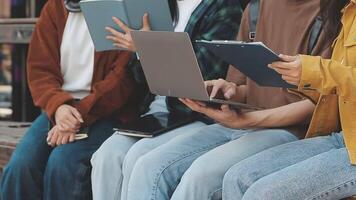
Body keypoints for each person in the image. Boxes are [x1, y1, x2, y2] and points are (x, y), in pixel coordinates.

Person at [121, 0, 338, 200]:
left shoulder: (333, 15)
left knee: (201, 177)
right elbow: (243, 86)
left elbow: (320, 105)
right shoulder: (256, 8)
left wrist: (250, 120)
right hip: (240, 119)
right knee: (148, 166)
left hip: (288, 130)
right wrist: (226, 90)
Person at [90, 0, 242, 200]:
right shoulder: (159, 6)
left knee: (140, 157)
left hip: (196, 112)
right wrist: (140, 53)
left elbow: (203, 79)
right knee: (107, 155)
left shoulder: (223, 8)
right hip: (160, 109)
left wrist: (147, 49)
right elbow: (139, 79)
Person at [0, 0, 139, 199]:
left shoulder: (120, 10)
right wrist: (59, 107)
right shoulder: (54, 8)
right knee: (20, 166)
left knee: (64, 164)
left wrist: (76, 115)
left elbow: (121, 81)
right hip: (60, 108)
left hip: (108, 112)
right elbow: (40, 69)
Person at [221, 0, 356, 199]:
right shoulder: (347, 9)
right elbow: (336, 86)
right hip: (345, 137)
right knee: (237, 178)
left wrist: (315, 71)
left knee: (261, 194)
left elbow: (330, 74)